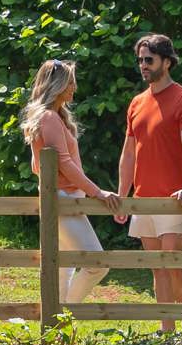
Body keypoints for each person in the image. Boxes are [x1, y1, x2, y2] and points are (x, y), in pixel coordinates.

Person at [115, 34, 182, 332]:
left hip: (174, 199)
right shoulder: (137, 102)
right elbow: (128, 153)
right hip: (143, 198)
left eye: (149, 60)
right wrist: (122, 195)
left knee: (173, 262)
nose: (143, 65)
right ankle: (167, 332)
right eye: (140, 60)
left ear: (167, 61)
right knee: (157, 267)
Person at [21, 59, 122, 304]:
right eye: (70, 82)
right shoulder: (50, 118)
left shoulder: (54, 117)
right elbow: (63, 163)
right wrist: (98, 192)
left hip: (64, 198)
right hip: (62, 200)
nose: (74, 87)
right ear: (56, 85)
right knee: (98, 264)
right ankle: (66, 314)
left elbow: (40, 166)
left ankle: (56, 327)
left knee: (62, 268)